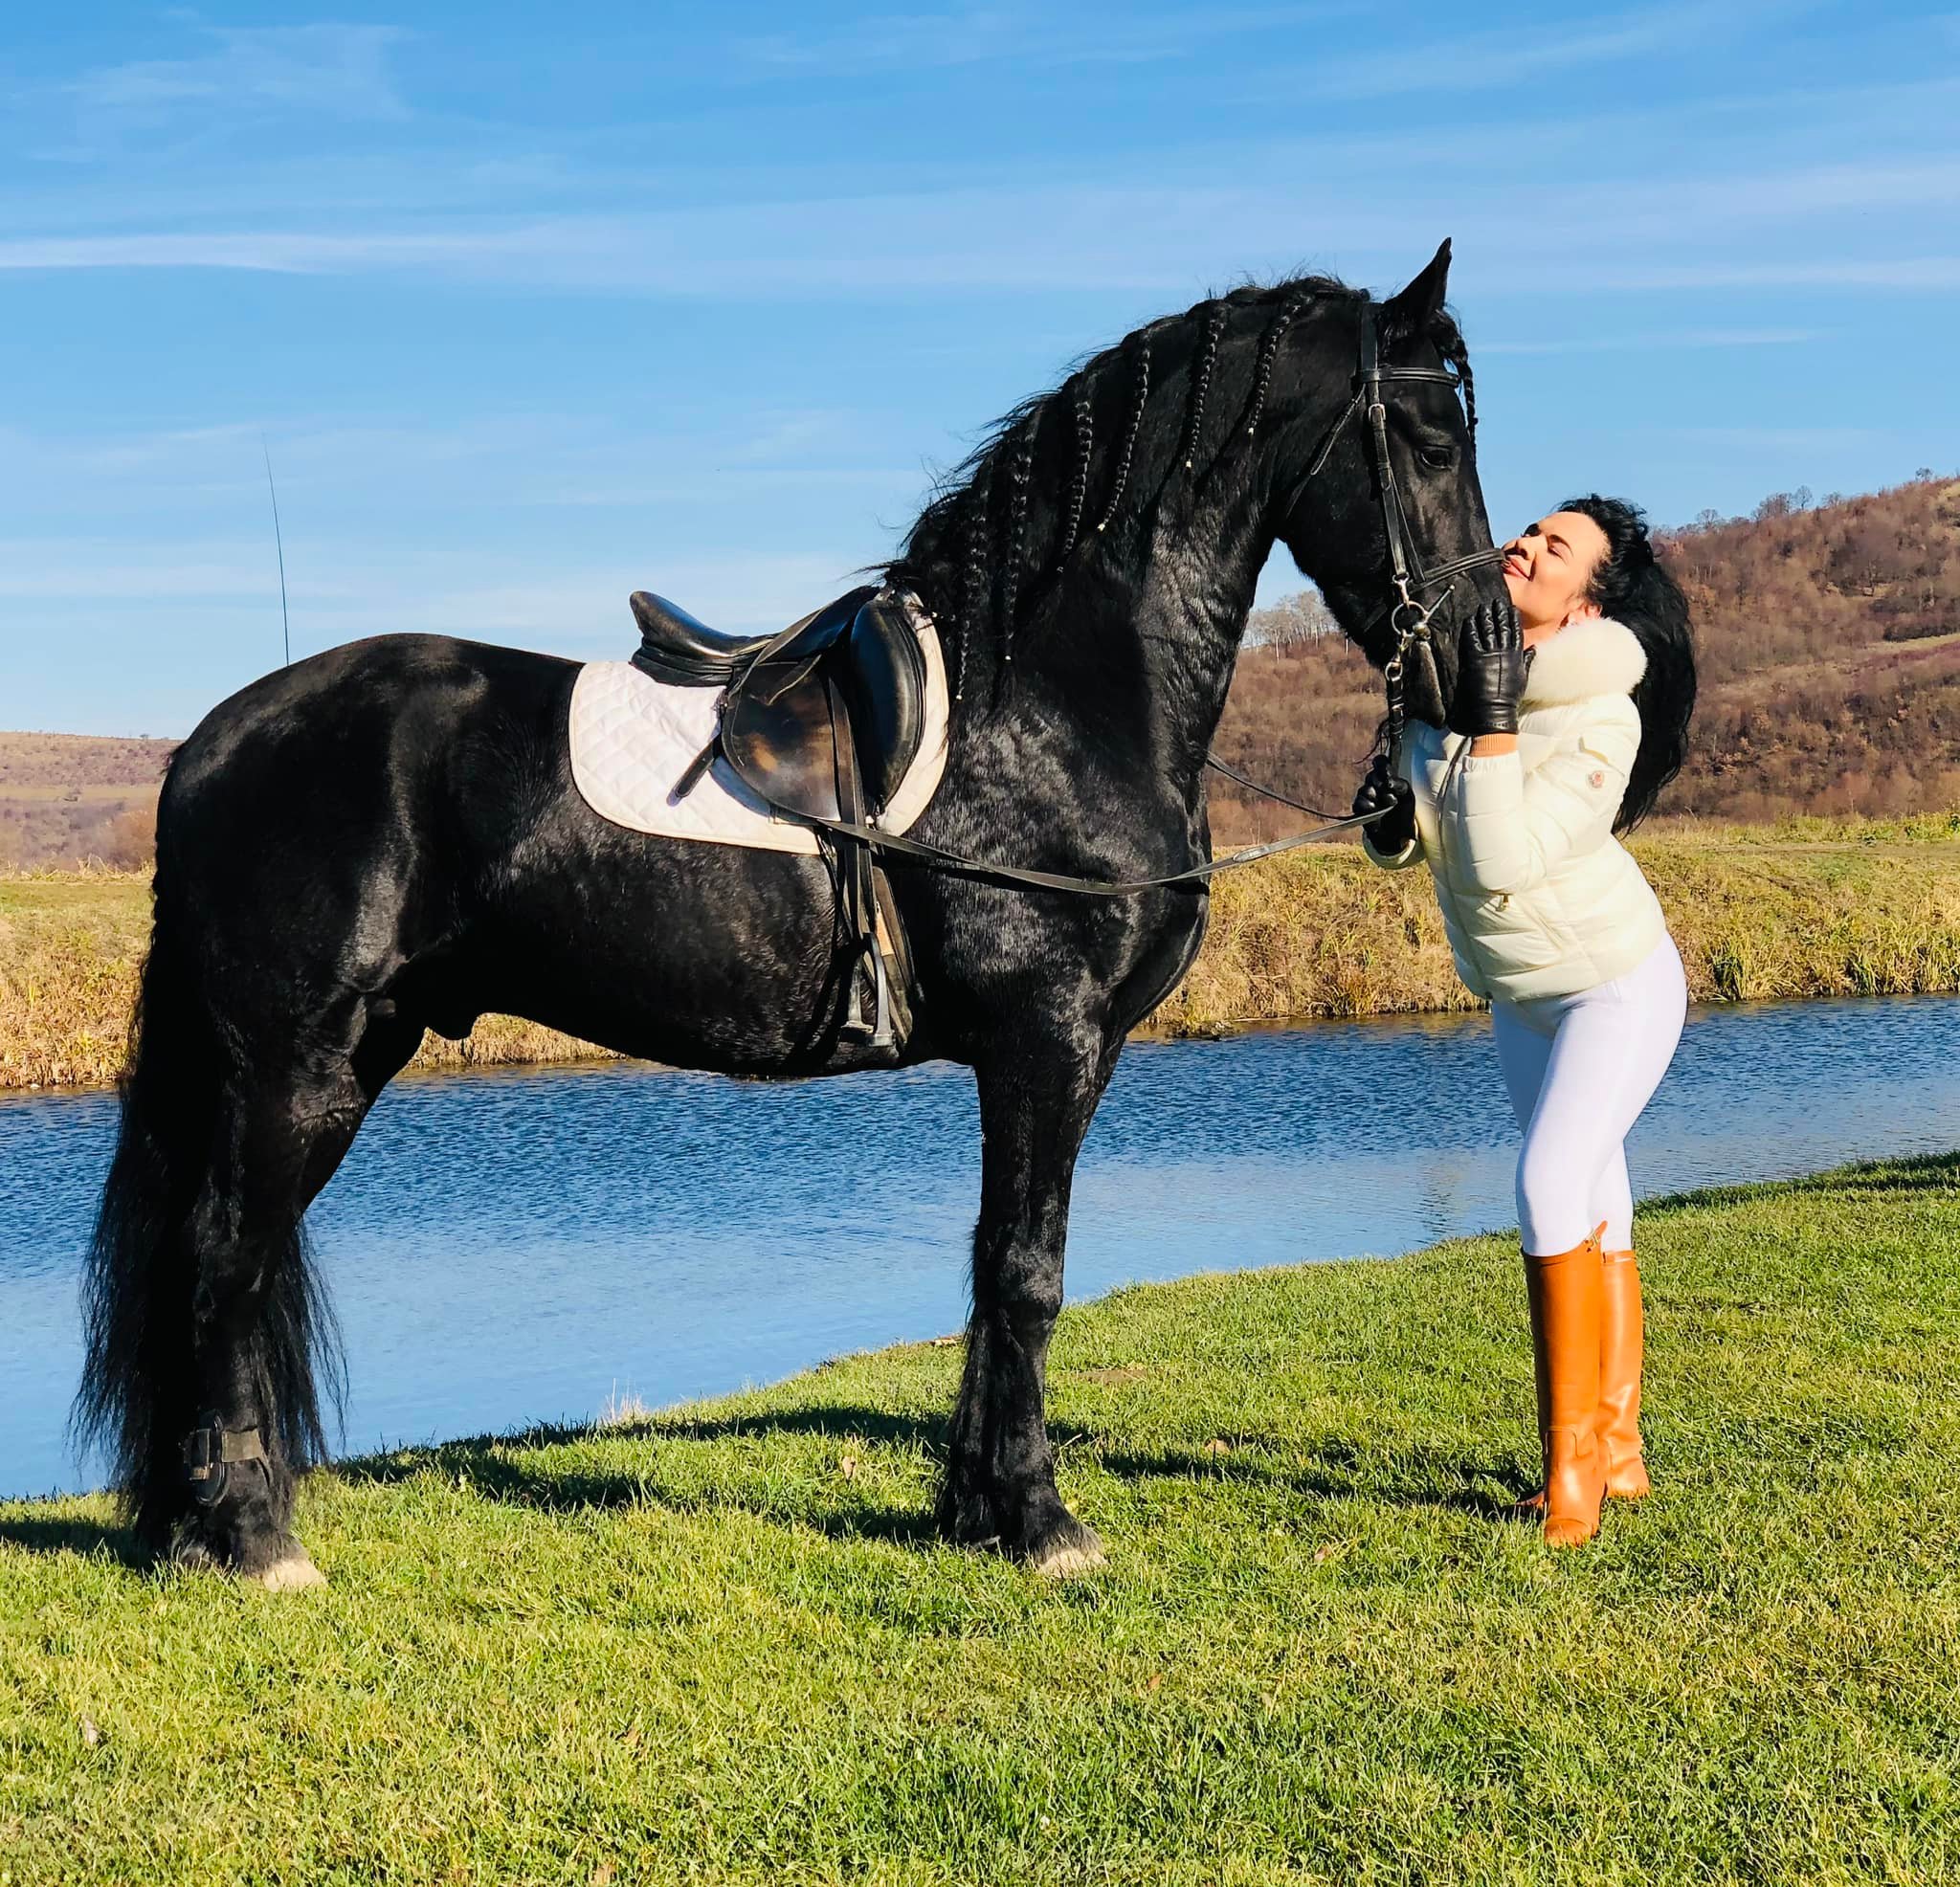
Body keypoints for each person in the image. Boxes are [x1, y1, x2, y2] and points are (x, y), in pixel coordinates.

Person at [1351, 495, 1697, 1545]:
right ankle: (1618, 1450)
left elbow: (1500, 864)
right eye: (1529, 530)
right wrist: (1387, 823)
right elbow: (1427, 843)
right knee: (1595, 1201)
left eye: (1556, 547)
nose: (1525, 546)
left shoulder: (1600, 717)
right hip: (1518, 990)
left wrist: (1494, 728)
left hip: (1612, 985)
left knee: (1548, 1186)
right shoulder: (1452, 686)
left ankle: (1570, 1482)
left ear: (1588, 603)